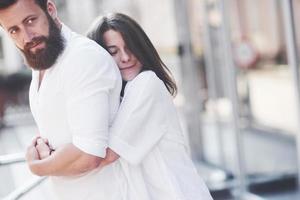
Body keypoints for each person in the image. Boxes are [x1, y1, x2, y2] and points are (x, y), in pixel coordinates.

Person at [0, 1, 127, 200]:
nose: (27, 37)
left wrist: (37, 167)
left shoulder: (82, 58)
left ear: (50, 10)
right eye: (14, 30)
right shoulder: (42, 58)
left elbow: (88, 154)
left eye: (31, 20)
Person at [86, 13, 213, 200]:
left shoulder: (146, 84)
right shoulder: (118, 98)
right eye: (113, 52)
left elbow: (103, 156)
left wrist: (43, 165)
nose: (126, 57)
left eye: (130, 48)